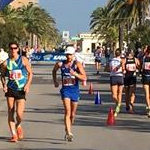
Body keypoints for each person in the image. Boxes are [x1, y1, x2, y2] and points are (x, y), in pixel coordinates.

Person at [52, 46, 87, 141]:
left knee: (72, 114)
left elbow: (84, 77)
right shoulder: (60, 64)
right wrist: (55, 81)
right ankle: (69, 132)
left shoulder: (77, 65)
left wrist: (75, 74)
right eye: (67, 54)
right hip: (65, 90)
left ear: (73, 55)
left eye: (70, 54)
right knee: (67, 111)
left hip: (75, 90)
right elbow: (54, 71)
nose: (68, 56)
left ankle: (67, 129)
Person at [0, 42, 33, 142]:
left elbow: (30, 73)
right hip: (10, 89)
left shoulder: (23, 60)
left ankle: (18, 125)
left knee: (19, 114)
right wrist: (4, 85)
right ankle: (14, 135)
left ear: (18, 49)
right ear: (9, 50)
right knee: (10, 110)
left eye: (15, 48)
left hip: (21, 89)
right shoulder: (6, 63)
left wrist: (27, 85)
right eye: (11, 48)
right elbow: (2, 75)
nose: (13, 50)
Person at [109, 48, 124, 117]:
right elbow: (124, 69)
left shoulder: (111, 60)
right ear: (120, 54)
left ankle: (117, 104)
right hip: (120, 77)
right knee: (120, 93)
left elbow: (109, 69)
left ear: (115, 54)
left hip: (113, 77)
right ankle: (118, 105)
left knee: (114, 95)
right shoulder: (122, 60)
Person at [141, 45, 150, 117]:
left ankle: (148, 107)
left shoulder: (144, 58)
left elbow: (143, 67)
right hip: (147, 76)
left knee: (147, 94)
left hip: (145, 77)